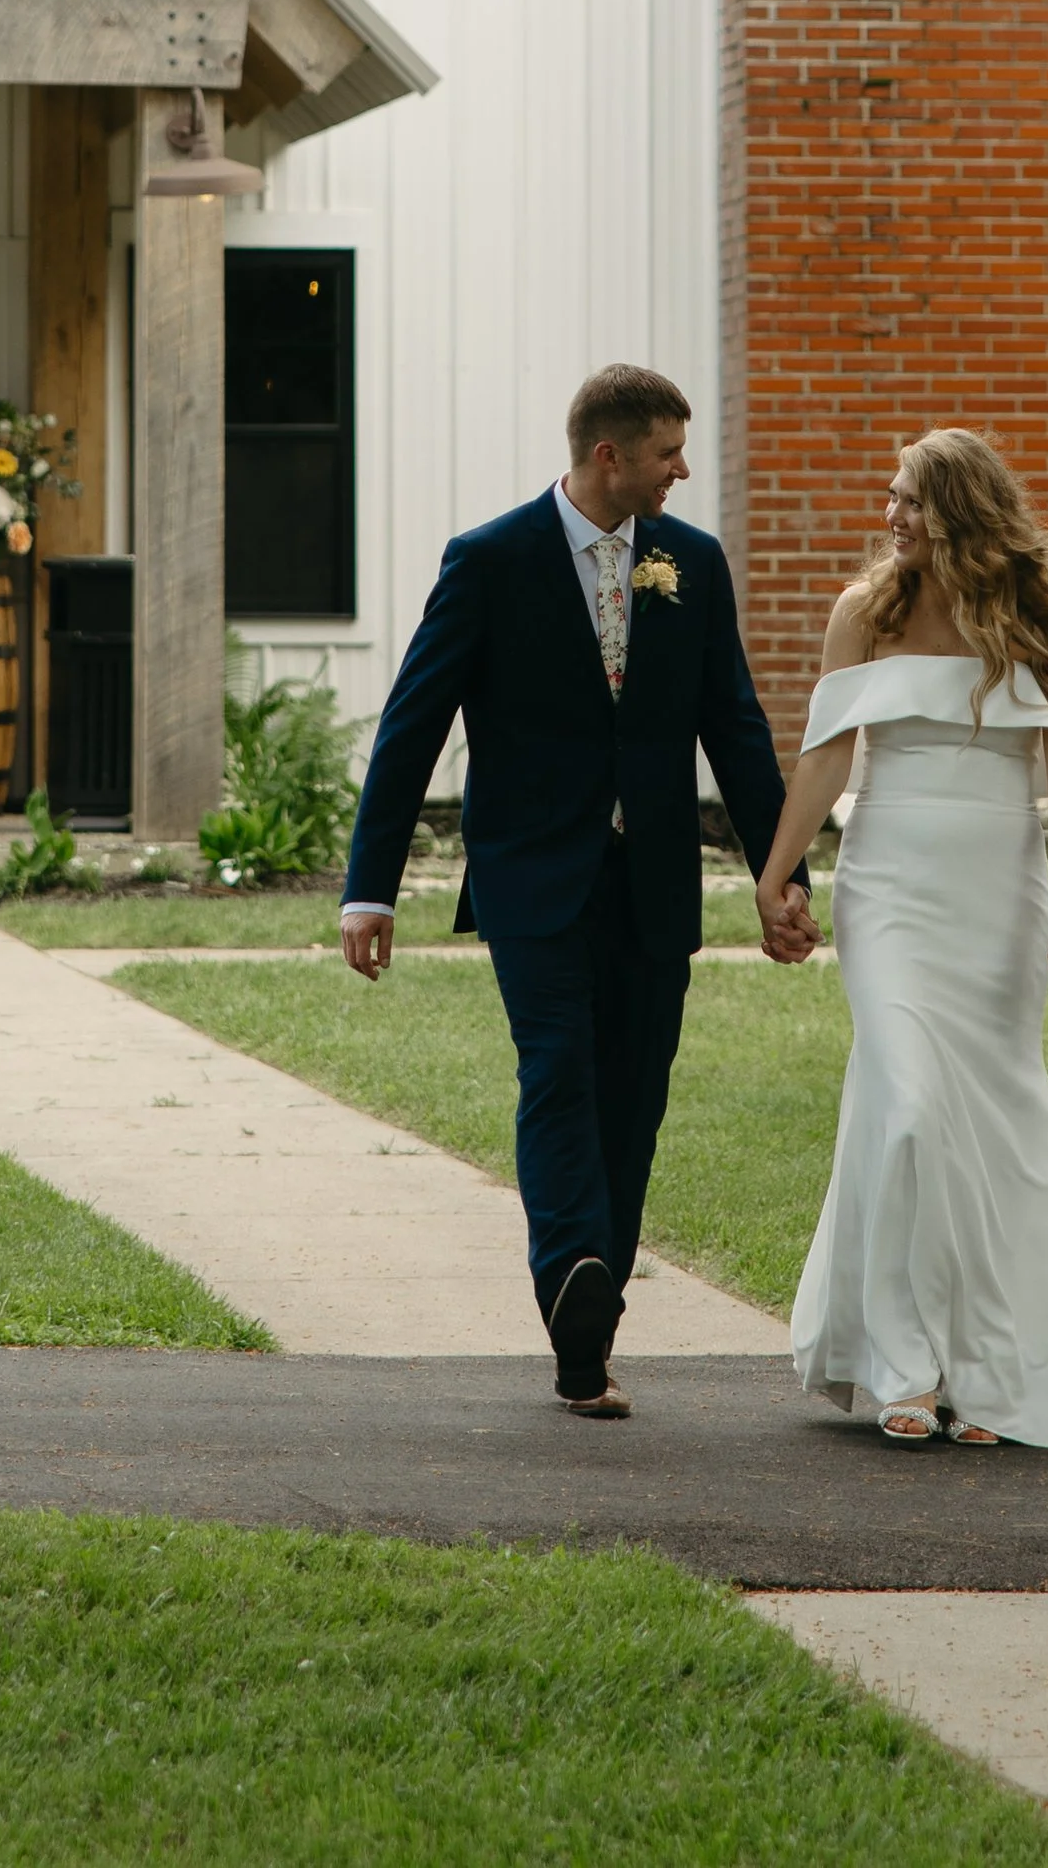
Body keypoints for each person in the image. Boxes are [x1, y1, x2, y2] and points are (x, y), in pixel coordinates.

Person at [340, 362, 816, 1417]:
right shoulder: (489, 561)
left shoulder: (691, 563)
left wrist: (780, 876)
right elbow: (412, 725)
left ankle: (592, 1309)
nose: (680, 472)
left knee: (633, 1100)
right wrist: (368, 889)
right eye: (665, 454)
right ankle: (572, 1289)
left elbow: (733, 726)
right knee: (557, 1070)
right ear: (610, 455)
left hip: (651, 882)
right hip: (530, 880)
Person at [754, 426, 1048, 1452]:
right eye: (887, 498)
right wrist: (776, 875)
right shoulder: (863, 612)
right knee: (906, 1110)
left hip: (998, 893)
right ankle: (905, 1364)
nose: (887, 516)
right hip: (889, 885)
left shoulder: (1037, 618)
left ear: (958, 509)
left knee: (990, 1126)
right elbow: (825, 758)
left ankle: (982, 1367)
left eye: (906, 500)